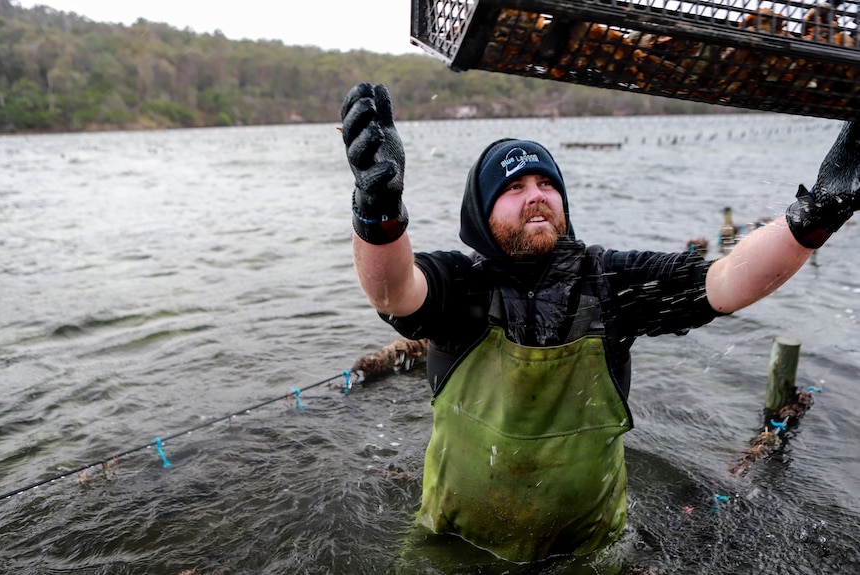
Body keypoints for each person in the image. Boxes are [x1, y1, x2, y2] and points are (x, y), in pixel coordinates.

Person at [339, 82, 860, 563]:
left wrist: (818, 212)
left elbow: (726, 283)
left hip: (589, 550)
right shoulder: (459, 286)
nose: (536, 194)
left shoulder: (611, 281)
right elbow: (394, 291)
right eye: (514, 187)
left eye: (546, 182)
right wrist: (378, 207)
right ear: (481, 211)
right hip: (454, 543)